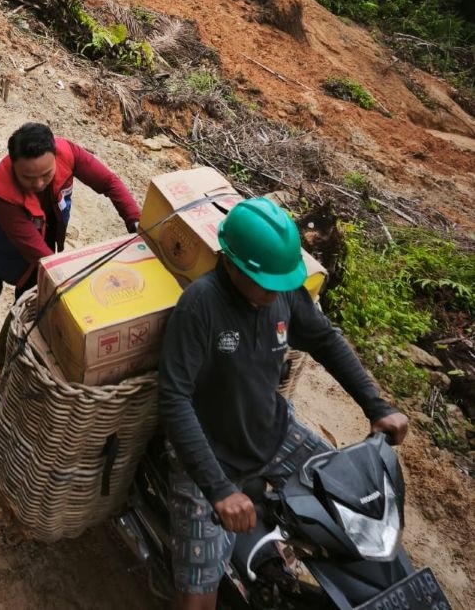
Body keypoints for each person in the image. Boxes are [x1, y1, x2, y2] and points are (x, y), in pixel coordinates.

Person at [157, 197, 409, 610]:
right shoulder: (200, 306)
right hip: (208, 458)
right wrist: (218, 489)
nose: (276, 292)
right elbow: (174, 398)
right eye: (267, 284)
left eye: (282, 282)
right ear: (233, 265)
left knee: (356, 513)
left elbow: (325, 340)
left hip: (274, 432)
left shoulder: (282, 290)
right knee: (195, 599)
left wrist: (376, 405)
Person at [0, 122, 141, 306]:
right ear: (13, 165)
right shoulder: (1, 194)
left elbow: (109, 183)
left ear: (55, 156)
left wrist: (136, 221)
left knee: (33, 298)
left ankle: (10, 344)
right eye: (28, 177)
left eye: (46, 174)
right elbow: (38, 255)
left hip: (42, 223)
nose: (38, 184)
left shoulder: (68, 152)